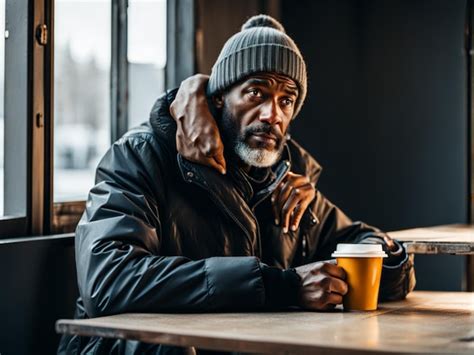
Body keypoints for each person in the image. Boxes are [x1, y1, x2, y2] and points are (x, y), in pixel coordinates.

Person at [59, 14, 415, 355]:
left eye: (286, 100)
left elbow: (359, 242)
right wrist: (282, 286)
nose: (271, 114)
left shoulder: (287, 177)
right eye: (255, 94)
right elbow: (108, 280)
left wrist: (387, 255)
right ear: (218, 97)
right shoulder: (141, 155)